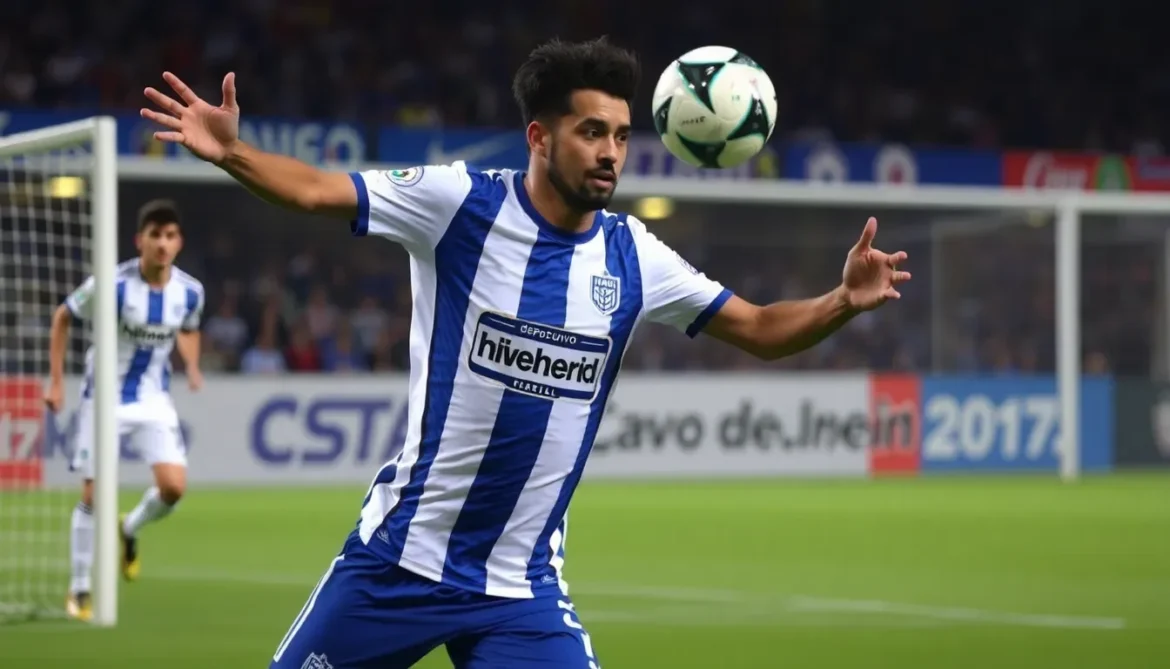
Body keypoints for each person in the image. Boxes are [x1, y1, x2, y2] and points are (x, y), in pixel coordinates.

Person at [140, 37, 910, 668]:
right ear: (540, 137)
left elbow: (762, 327)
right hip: (399, 563)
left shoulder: (633, 255)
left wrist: (842, 299)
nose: (611, 153)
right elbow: (315, 189)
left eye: (620, 136)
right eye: (591, 133)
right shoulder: (458, 203)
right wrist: (233, 153)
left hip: (520, 590)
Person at [44, 199, 205, 622]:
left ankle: (129, 528)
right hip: (103, 398)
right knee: (94, 494)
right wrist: (56, 381)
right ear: (140, 241)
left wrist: (191, 365)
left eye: (170, 236)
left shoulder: (190, 292)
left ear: (179, 242)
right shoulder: (112, 285)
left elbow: (190, 330)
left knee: (174, 488)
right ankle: (80, 587)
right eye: (155, 236)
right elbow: (63, 316)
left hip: (153, 399)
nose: (163, 244)